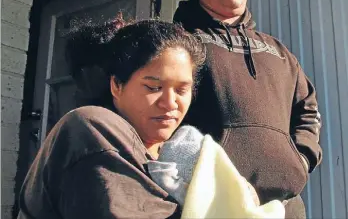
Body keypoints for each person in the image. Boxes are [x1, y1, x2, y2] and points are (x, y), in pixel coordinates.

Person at [173, 0, 323, 218]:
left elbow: (307, 110)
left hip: (286, 205)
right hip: (212, 203)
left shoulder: (278, 50)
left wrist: (300, 160)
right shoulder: (179, 41)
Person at [17, 19, 206, 219]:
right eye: (153, 88)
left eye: (181, 90)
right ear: (116, 85)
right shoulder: (92, 129)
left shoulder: (181, 148)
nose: (170, 103)